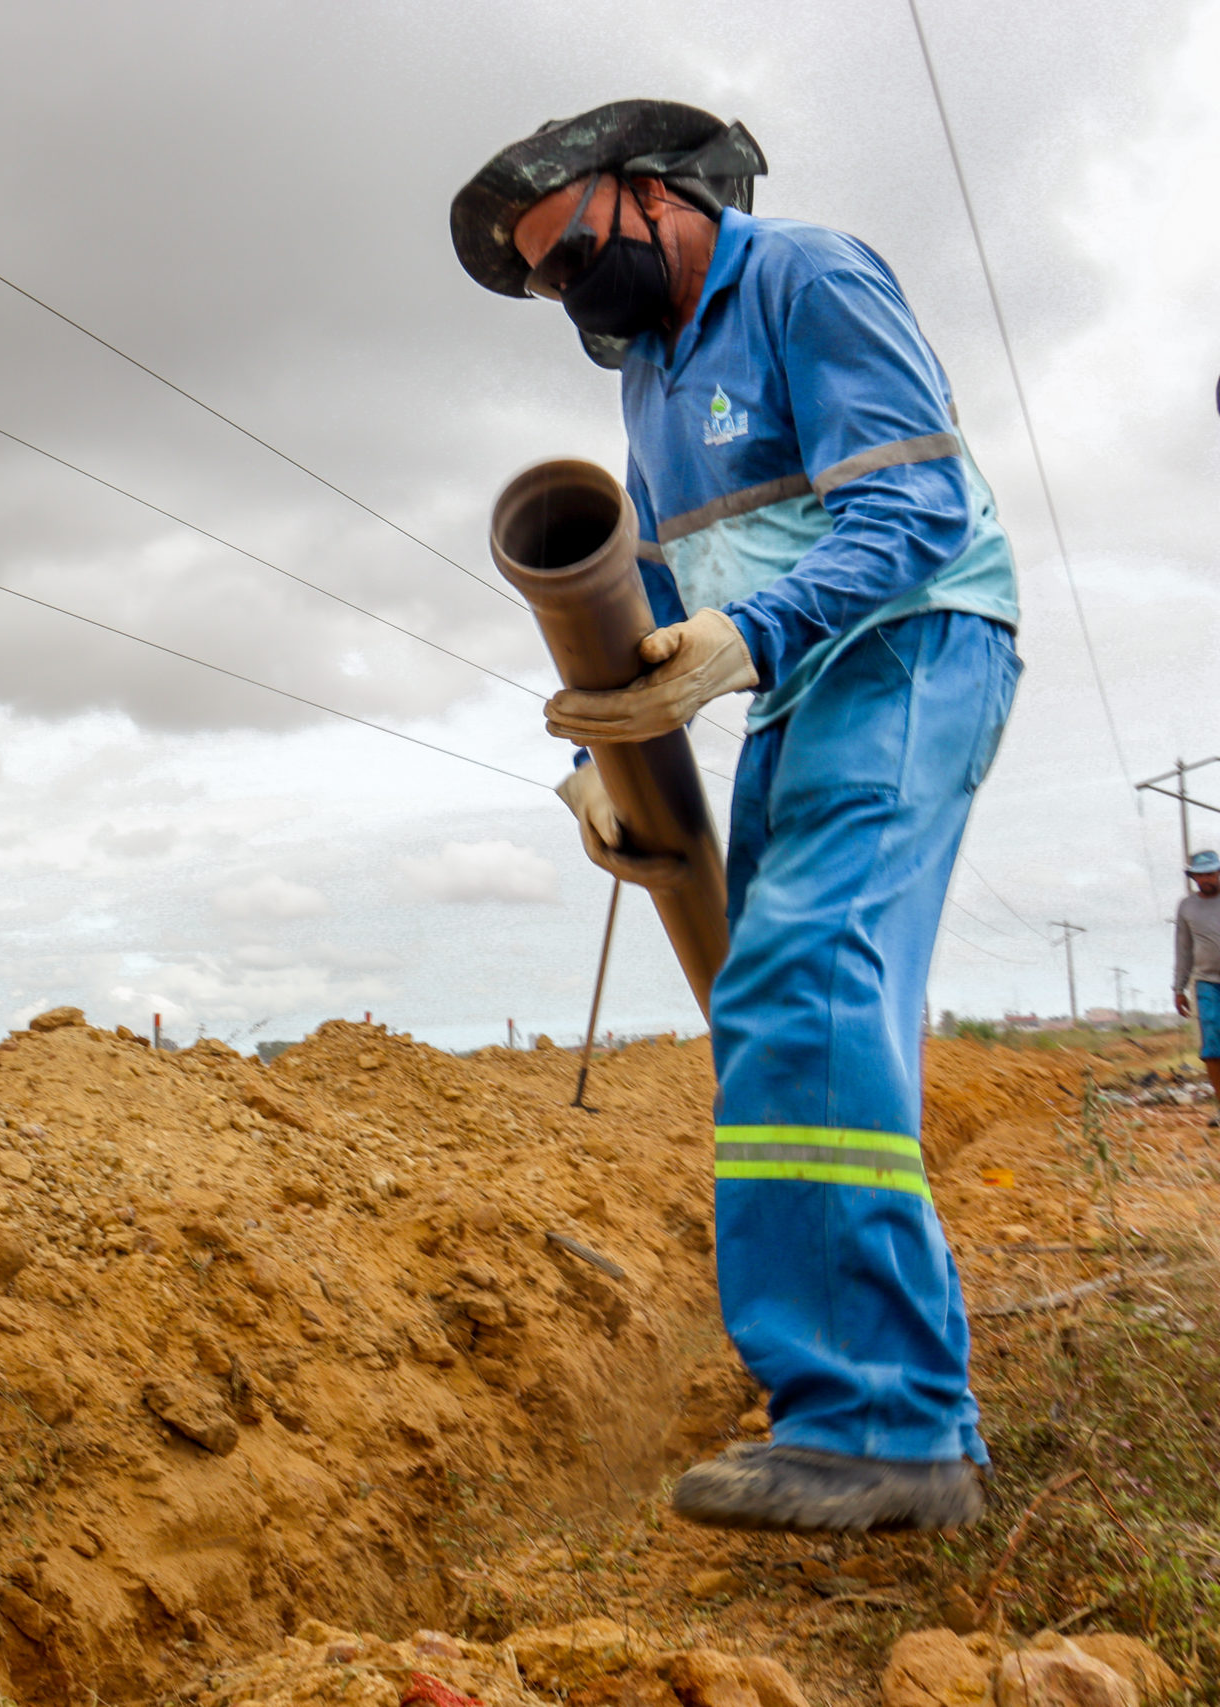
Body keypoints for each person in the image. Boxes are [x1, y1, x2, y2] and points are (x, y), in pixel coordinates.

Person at [451, 102, 1021, 1532]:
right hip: (801, 683)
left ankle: (881, 1427)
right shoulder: (649, 380)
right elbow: (649, 597)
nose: (567, 291)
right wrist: (601, 761)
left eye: (572, 251)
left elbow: (916, 511)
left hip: (908, 646)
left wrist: (748, 635)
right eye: (544, 282)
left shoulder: (805, 276)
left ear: (653, 194)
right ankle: (901, 1407)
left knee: (801, 983)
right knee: (783, 1008)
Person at [1172, 849, 1220, 1124]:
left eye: (1210, 874)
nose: (1206, 879)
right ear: (1192, 877)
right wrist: (1179, 988)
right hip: (1206, 983)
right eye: (1200, 875)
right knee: (1212, 1047)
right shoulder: (1187, 907)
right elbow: (1183, 949)